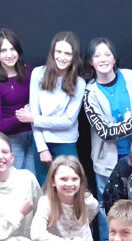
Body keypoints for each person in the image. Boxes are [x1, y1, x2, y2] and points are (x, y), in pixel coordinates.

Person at [82, 37, 132, 241]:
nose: (103, 59)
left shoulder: (131, 78)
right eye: (97, 55)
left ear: (114, 58)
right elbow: (106, 133)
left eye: (107, 54)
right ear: (90, 61)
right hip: (107, 159)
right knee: (106, 205)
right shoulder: (89, 93)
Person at [30, 155, 100, 241]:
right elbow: (36, 234)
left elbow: (92, 214)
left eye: (75, 179)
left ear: (80, 181)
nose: (70, 184)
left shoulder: (88, 201)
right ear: (53, 181)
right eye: (63, 179)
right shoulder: (46, 202)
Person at [29, 31, 86, 185]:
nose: (62, 57)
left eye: (67, 53)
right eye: (58, 52)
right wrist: (42, 148)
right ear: (52, 52)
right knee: (46, 189)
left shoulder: (79, 83)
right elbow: (34, 111)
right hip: (42, 141)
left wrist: (35, 119)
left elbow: (68, 121)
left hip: (66, 142)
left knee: (72, 187)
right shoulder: (37, 74)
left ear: (74, 56)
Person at [0, 28, 36, 175]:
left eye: (12, 49)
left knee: (34, 183)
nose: (9, 55)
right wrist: (22, 117)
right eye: (3, 51)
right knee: (15, 183)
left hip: (36, 135)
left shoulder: (31, 72)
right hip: (12, 140)